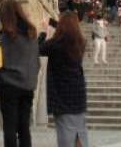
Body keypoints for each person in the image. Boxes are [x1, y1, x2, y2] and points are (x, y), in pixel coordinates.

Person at [39, 11, 88, 147]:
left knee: (65, 134)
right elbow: (69, 30)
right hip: (78, 93)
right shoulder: (81, 43)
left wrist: (44, 30)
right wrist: (54, 23)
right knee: (80, 132)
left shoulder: (55, 44)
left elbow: (38, 49)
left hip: (62, 96)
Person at [0, 0, 40, 147]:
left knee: (9, 127)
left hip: (9, 85)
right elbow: (37, 62)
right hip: (28, 86)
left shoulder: (5, 37)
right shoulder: (32, 34)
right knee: (24, 128)